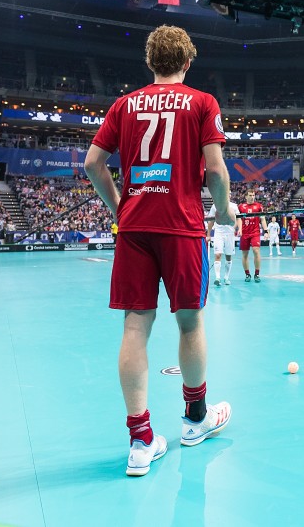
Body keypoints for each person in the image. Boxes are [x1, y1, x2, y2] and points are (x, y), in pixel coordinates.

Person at [84, 25, 234, 478]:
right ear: (188, 62)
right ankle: (195, 420)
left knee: (135, 327)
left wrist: (121, 208)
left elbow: (92, 163)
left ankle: (140, 441)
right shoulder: (202, 102)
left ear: (150, 63)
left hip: (135, 228)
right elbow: (215, 169)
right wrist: (225, 212)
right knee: (190, 324)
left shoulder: (124, 104)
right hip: (182, 227)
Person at [206, 201, 239, 286]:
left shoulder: (234, 206)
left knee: (228, 256)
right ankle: (217, 278)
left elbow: (238, 219)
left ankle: (226, 277)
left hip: (230, 234)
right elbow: (211, 221)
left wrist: (238, 229)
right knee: (218, 255)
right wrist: (208, 234)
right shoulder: (215, 206)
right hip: (219, 233)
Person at [238, 188, 266, 282]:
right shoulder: (241, 207)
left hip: (255, 232)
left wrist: (266, 231)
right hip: (244, 233)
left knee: (256, 250)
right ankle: (247, 274)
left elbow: (262, 219)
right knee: (245, 254)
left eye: (253, 195)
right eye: (250, 195)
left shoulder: (258, 206)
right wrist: (238, 229)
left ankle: (257, 274)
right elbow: (238, 220)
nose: (252, 197)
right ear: (246, 196)